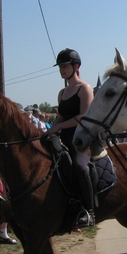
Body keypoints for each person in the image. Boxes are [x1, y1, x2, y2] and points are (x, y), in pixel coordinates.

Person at [47, 48, 96, 228]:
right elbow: (60, 117)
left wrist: (59, 126)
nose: (62, 70)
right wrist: (50, 130)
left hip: (81, 138)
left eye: (65, 66)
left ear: (75, 67)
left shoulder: (85, 88)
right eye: (60, 67)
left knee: (79, 165)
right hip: (63, 135)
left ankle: (89, 211)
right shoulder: (62, 93)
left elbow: (83, 116)